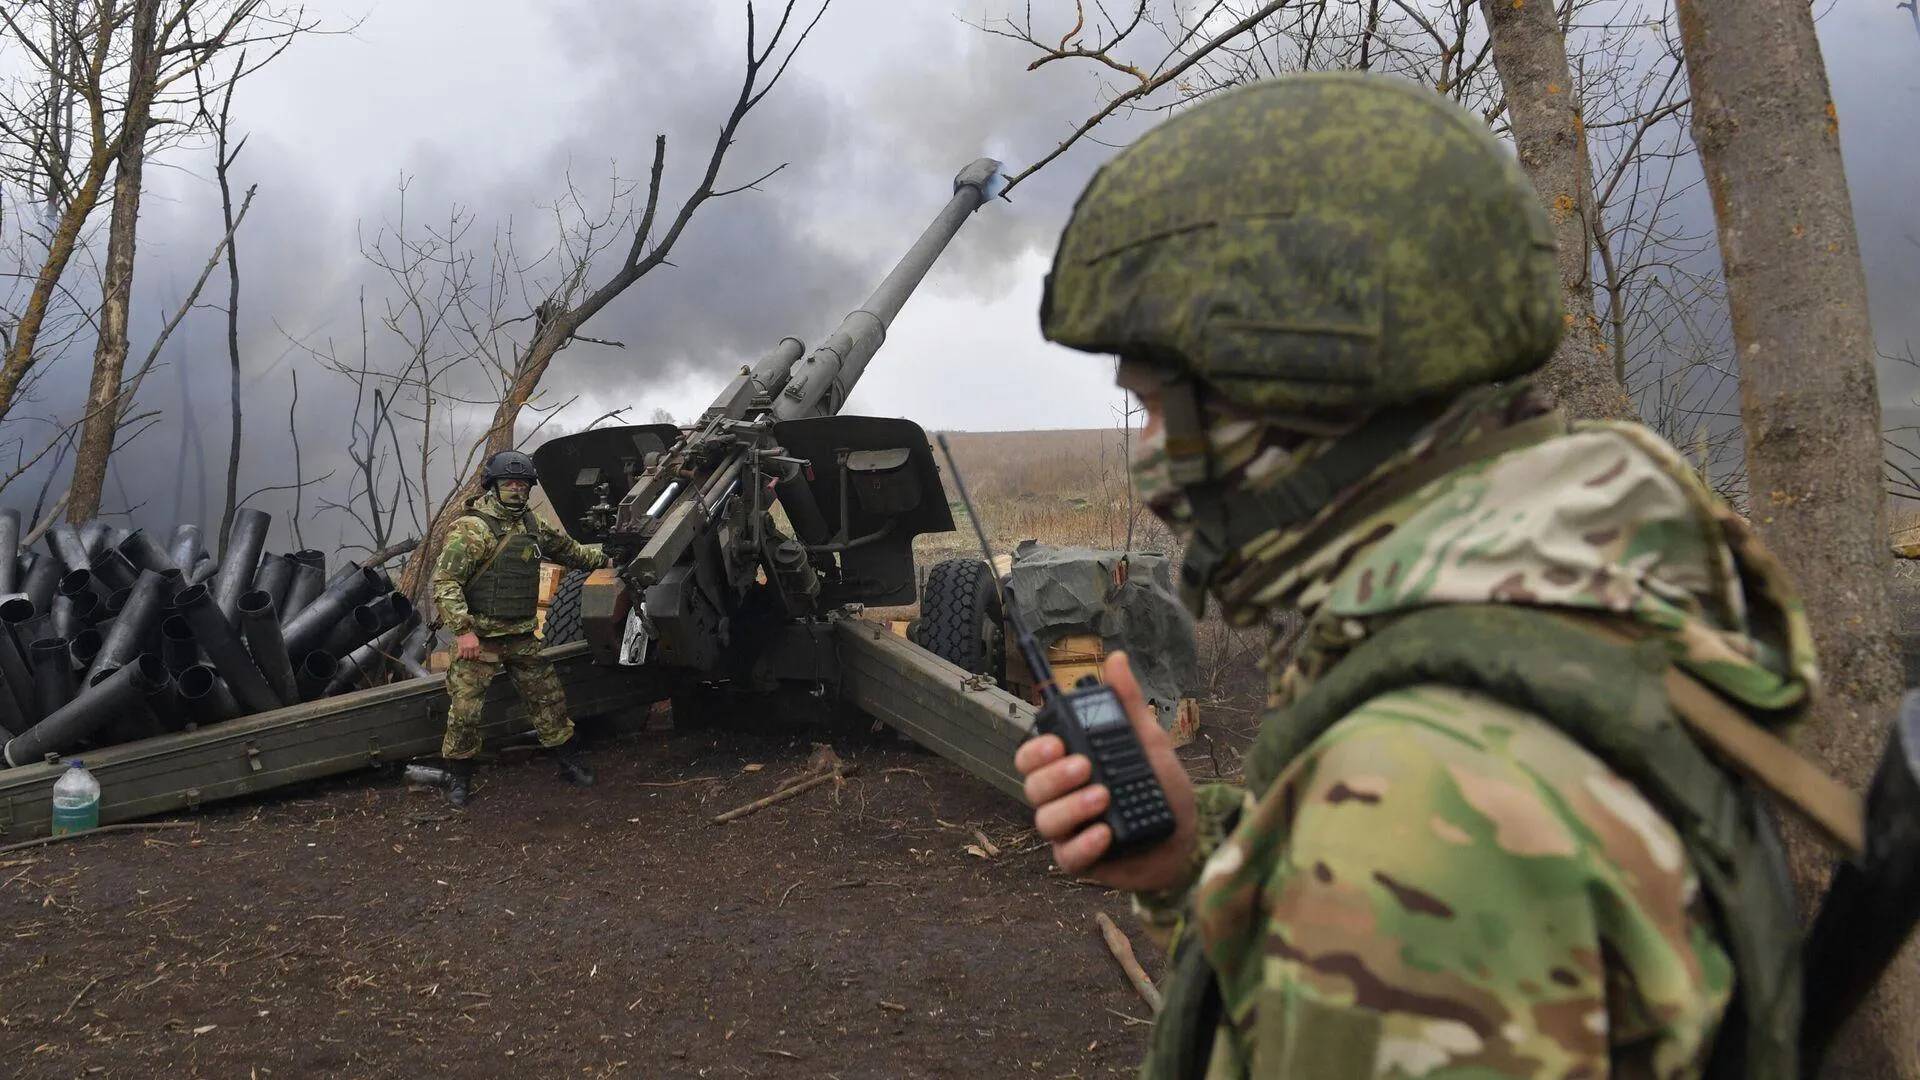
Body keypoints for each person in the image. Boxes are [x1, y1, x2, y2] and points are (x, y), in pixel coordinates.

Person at [1015, 71, 1820, 1079]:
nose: (1144, 459)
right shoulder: (1577, 595)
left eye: (1151, 408)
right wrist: (1191, 865)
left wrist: (1343, 861)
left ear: (1286, 392)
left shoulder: (1419, 807)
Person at [432, 449, 611, 807]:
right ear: (493, 486)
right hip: (479, 639)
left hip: (521, 636)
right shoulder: (472, 529)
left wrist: (610, 558)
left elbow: (571, 553)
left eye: (522, 483)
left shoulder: (531, 525)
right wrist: (463, 630)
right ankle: (459, 777)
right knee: (465, 713)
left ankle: (567, 762)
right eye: (507, 483)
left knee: (549, 700)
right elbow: (445, 583)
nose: (515, 489)